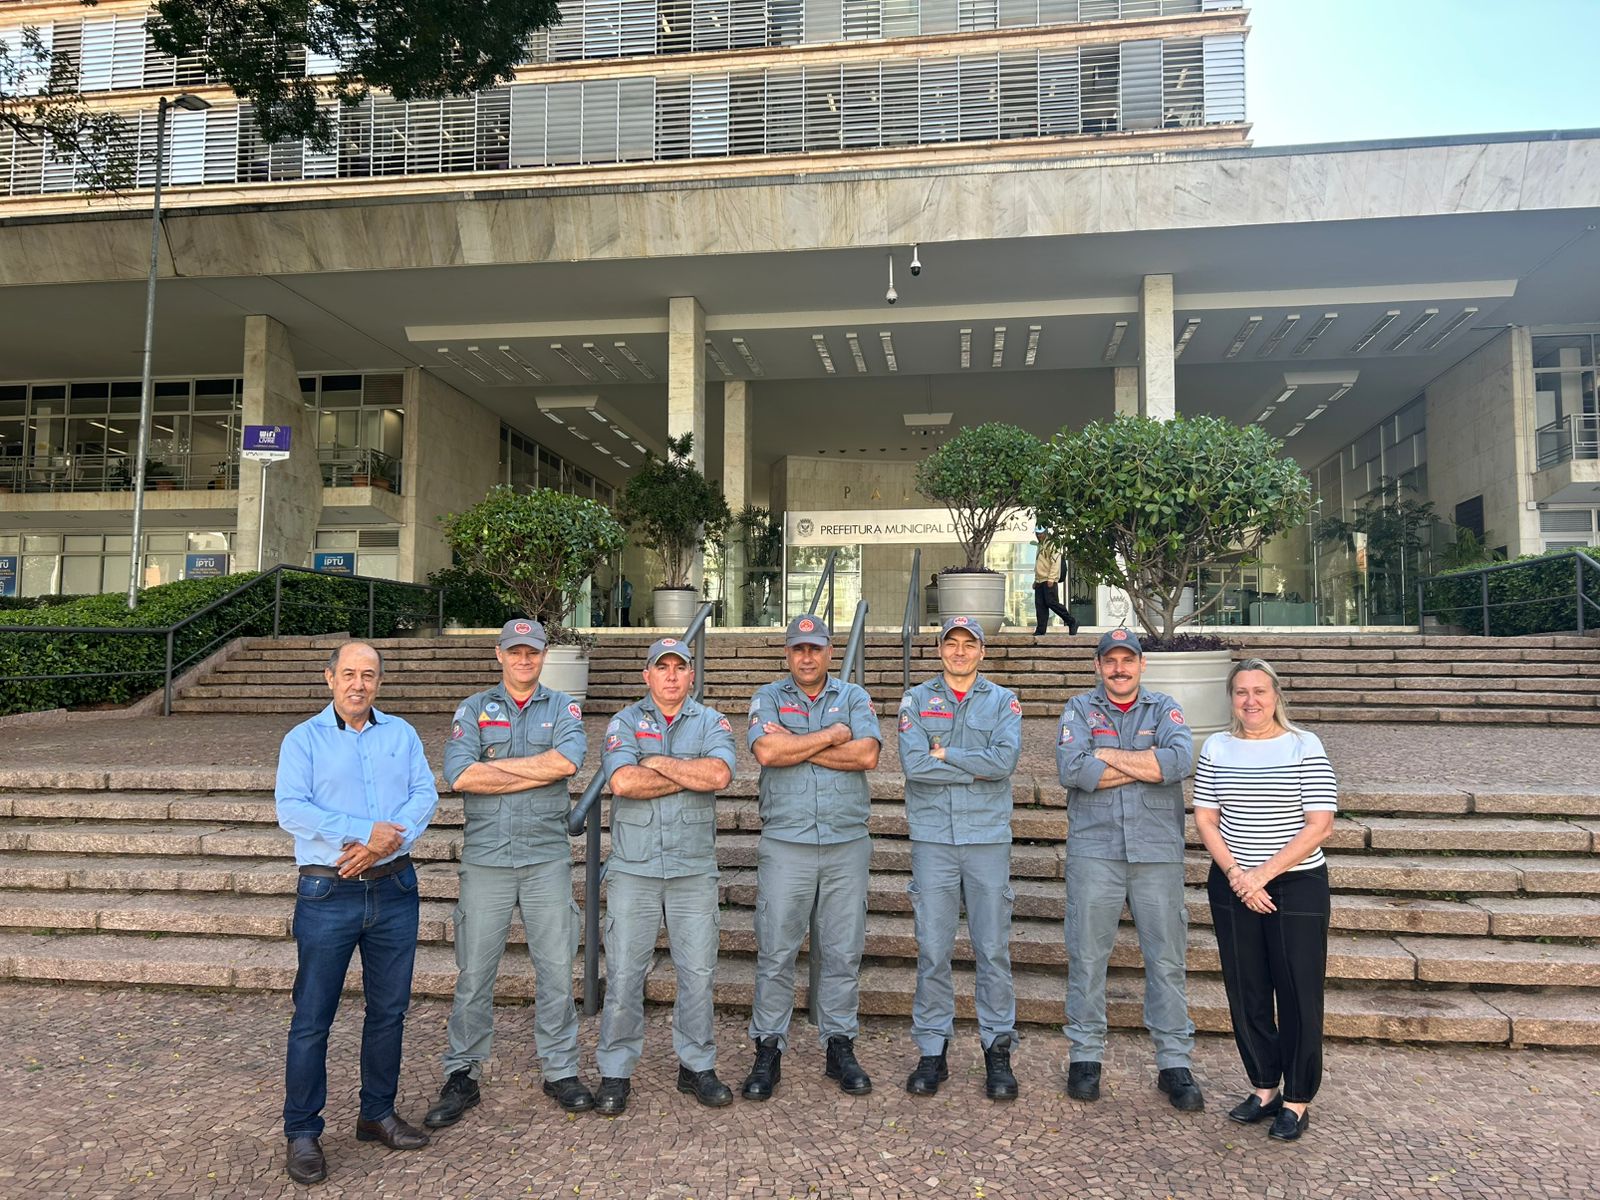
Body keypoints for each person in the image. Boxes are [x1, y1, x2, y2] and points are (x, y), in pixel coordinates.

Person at [275, 641, 439, 1185]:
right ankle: (302, 1131)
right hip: (328, 894)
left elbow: (424, 794)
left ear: (379, 683)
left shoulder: (402, 735)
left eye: (368, 675)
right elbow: (292, 808)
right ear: (329, 678)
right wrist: (360, 832)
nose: (358, 684)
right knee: (312, 1018)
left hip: (394, 889)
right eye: (348, 674)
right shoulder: (303, 740)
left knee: (389, 1012)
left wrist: (387, 843)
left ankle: (377, 1114)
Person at [425, 618, 593, 1130]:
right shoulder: (474, 709)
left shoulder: (563, 707)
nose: (525, 660)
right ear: (499, 654)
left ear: (543, 657)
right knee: (474, 973)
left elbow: (567, 763)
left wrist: (497, 767)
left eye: (533, 652)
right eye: (515, 651)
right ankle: (462, 1074)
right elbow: (460, 774)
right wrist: (532, 766)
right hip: (488, 860)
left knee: (556, 972)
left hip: (546, 858)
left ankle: (561, 1069)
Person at [1055, 628, 1200, 1112]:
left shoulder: (1165, 708)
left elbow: (1180, 762)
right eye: (1110, 661)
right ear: (1097, 666)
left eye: (1128, 660)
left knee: (1166, 960)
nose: (1119, 668)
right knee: (1088, 956)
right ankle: (1085, 1057)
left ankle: (1174, 1063)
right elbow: (1072, 771)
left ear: (1141, 665)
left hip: (1156, 850)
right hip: (1095, 850)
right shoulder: (1078, 709)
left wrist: (1106, 757)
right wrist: (1145, 763)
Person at [1193, 658, 1337, 1143]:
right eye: (1240, 692)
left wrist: (1263, 877)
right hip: (1233, 886)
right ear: (1230, 699)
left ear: (1276, 695)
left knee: (1297, 992)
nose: (1250, 701)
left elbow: (1320, 824)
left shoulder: (1304, 745)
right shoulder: (1217, 746)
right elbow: (1207, 818)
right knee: (1247, 990)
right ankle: (1263, 1087)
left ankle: (1297, 1099)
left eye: (1259, 691)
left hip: (1296, 885)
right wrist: (1238, 876)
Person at [594, 637, 739, 1114]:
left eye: (680, 667)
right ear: (647, 676)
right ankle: (616, 1071)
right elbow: (622, 782)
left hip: (692, 870)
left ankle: (696, 1065)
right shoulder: (624, 722)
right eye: (663, 668)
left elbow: (719, 776)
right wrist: (685, 771)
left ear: (691, 675)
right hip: (634, 869)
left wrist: (653, 761)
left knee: (697, 975)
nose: (672, 676)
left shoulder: (712, 720)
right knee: (623, 976)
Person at [740, 615, 882, 1101]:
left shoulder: (855, 697)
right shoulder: (768, 698)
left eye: (815, 649)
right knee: (776, 951)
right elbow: (766, 752)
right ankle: (768, 1047)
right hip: (786, 843)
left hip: (845, 843)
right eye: (798, 649)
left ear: (829, 652)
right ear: (788, 653)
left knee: (842, 951)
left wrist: (796, 745)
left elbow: (866, 756)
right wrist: (831, 735)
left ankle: (838, 1044)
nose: (807, 657)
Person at [896, 615, 1023, 1101]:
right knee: (932, 950)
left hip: (988, 839)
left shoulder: (1004, 701)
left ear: (982, 652)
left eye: (969, 645)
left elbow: (1005, 763)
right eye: (952, 643)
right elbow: (913, 765)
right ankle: (932, 1051)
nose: (960, 652)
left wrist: (946, 754)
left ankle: (997, 1050)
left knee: (992, 950)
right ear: (940, 650)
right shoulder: (916, 699)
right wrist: (972, 765)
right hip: (933, 840)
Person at [1032, 534, 1079, 636]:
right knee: (1040, 606)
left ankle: (1071, 621)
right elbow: (1039, 564)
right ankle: (1040, 630)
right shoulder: (1040, 545)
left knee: (1051, 602)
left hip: (1049, 580)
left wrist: (1052, 578)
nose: (1039, 535)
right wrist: (1036, 580)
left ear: (1046, 532)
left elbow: (1055, 562)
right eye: (1037, 533)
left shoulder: (1052, 544)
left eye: (1041, 533)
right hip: (1040, 580)